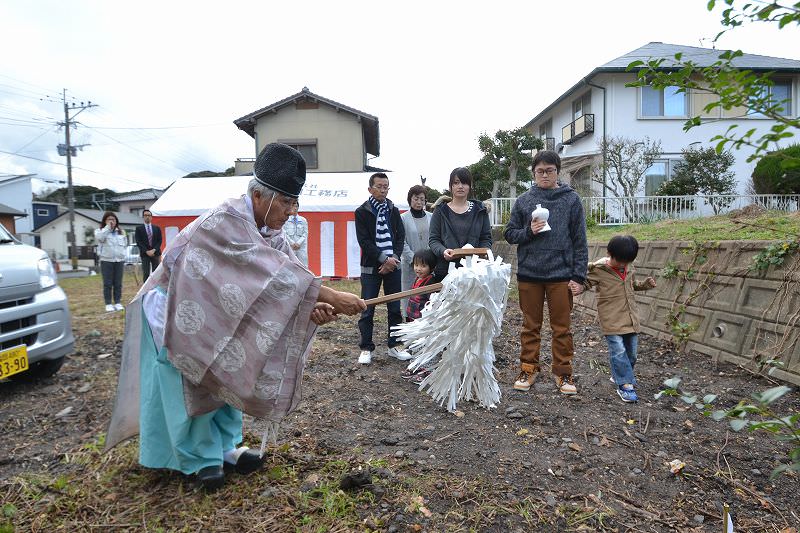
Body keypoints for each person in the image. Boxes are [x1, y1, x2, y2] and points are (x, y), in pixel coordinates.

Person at [105, 143, 366, 492]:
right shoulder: (225, 221)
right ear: (259, 196)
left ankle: (226, 447)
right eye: (285, 203)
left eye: (294, 203)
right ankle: (200, 458)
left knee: (230, 370)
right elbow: (272, 274)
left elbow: (292, 276)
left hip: (220, 315)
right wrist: (330, 294)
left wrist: (312, 307)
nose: (290, 212)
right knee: (192, 380)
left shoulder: (272, 233)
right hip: (177, 309)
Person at [504, 150, 588, 395]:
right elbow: (510, 234)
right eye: (540, 171)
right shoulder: (523, 201)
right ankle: (528, 368)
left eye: (550, 170)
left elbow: (580, 241)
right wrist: (529, 231)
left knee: (562, 328)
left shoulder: (571, 199)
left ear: (558, 172)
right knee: (530, 326)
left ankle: (563, 373)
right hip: (530, 273)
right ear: (533, 174)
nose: (545, 175)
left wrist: (578, 276)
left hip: (561, 275)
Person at [571, 235, 656, 403]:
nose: (624, 265)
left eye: (627, 262)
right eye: (621, 262)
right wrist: (578, 287)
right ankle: (624, 384)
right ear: (609, 254)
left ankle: (620, 375)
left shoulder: (628, 268)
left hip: (630, 318)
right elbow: (586, 282)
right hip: (611, 319)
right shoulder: (600, 270)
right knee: (619, 351)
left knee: (631, 354)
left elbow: (631, 285)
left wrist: (644, 285)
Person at [355, 172, 409, 365]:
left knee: (394, 308)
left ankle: (394, 345)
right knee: (367, 308)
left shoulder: (393, 209)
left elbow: (400, 236)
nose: (383, 190)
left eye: (386, 186)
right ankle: (366, 347)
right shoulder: (362, 211)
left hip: (393, 266)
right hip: (371, 267)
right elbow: (364, 241)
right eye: (379, 186)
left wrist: (392, 259)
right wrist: (383, 259)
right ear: (370, 189)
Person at [428, 167, 492, 283]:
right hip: (446, 270)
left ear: (470, 186)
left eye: (464, 182)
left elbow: (486, 238)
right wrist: (443, 251)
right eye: (456, 183)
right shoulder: (440, 210)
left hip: (474, 271)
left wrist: (481, 253)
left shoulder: (480, 210)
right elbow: (433, 239)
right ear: (450, 186)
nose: (460, 186)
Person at [400, 248, 437, 384]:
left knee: (426, 346)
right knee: (415, 345)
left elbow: (432, 304)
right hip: (414, 320)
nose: (418, 269)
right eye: (416, 265)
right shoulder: (417, 279)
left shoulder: (432, 283)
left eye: (423, 265)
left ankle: (427, 370)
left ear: (431, 267)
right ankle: (416, 365)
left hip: (424, 323)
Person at [400, 185, 432, 319]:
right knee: (409, 294)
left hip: (430, 265)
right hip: (410, 264)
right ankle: (409, 321)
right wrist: (415, 260)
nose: (419, 202)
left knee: (427, 295)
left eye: (422, 199)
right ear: (410, 199)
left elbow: (435, 238)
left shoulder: (432, 217)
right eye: (416, 199)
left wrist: (429, 260)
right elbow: (401, 241)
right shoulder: (403, 218)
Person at [94, 211, 128, 312]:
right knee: (107, 283)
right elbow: (100, 238)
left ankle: (117, 302)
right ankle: (108, 303)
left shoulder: (121, 232)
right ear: (104, 221)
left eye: (113, 219)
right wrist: (107, 228)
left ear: (116, 221)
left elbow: (125, 244)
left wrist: (122, 255)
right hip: (106, 260)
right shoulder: (99, 231)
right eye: (109, 219)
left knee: (118, 283)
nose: (111, 221)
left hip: (119, 260)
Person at [135, 209, 162, 282]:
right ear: (143, 217)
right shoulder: (139, 229)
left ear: (151, 217)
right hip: (145, 254)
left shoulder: (157, 228)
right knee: (146, 273)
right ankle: (146, 290)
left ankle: (155, 289)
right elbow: (139, 242)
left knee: (156, 272)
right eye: (145, 215)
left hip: (155, 253)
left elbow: (159, 241)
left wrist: (154, 250)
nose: (147, 217)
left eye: (149, 215)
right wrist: (147, 251)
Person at [282, 201, 308, 267]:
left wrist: (298, 243)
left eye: (296, 206)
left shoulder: (303, 220)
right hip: (290, 246)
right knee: (290, 264)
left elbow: (305, 233)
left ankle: (305, 277)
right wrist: (292, 243)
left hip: (301, 246)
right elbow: (284, 232)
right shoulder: (286, 219)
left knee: (303, 265)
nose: (295, 208)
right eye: (293, 206)